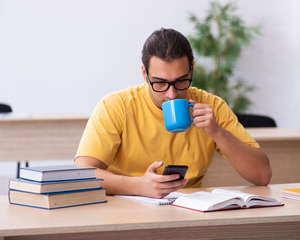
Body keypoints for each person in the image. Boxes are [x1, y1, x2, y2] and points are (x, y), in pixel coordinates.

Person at [75, 28, 272, 198]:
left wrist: (217, 132)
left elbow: (262, 175)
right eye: (160, 83)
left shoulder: (211, 106)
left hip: (189, 212)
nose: (172, 94)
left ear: (192, 69)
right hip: (125, 209)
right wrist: (138, 186)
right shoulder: (115, 106)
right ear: (145, 74)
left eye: (181, 81)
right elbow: (81, 173)